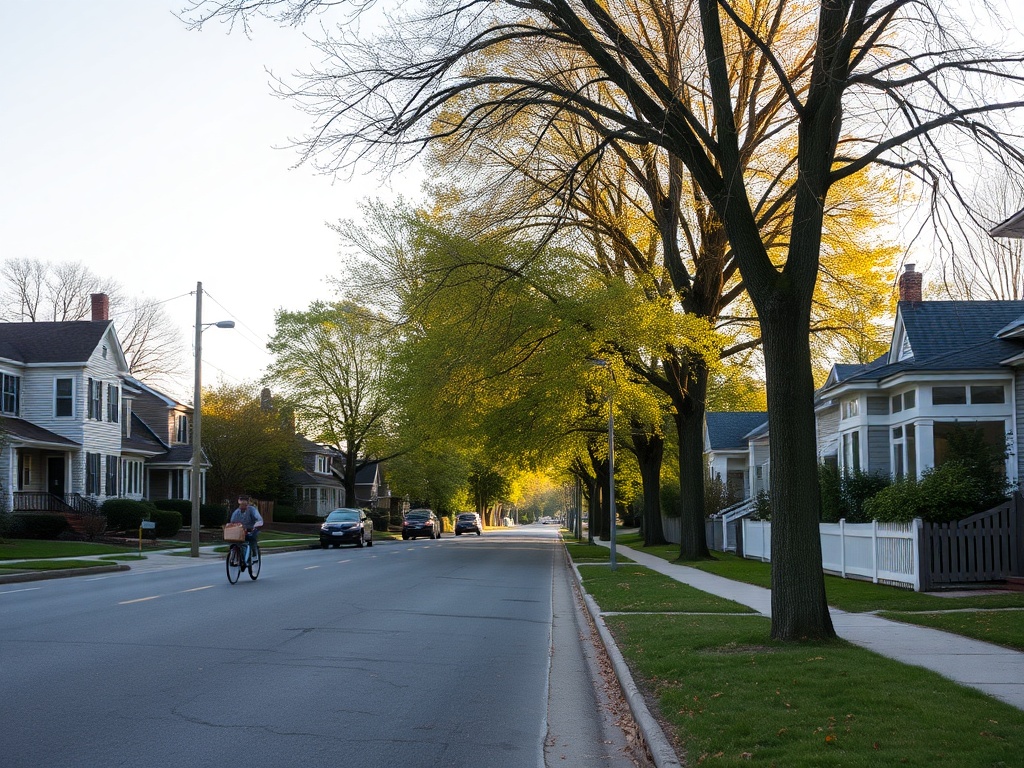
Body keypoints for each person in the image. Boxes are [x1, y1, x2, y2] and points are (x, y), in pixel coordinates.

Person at [229, 495, 264, 569]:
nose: (243, 504)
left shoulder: (252, 510)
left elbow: (259, 519)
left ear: (248, 503)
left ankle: (254, 556)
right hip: (241, 530)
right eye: (241, 502)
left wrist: (256, 526)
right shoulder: (236, 512)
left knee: (252, 540)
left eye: (245, 502)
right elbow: (232, 522)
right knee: (238, 542)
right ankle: (239, 558)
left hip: (251, 529)